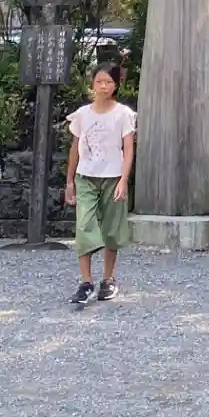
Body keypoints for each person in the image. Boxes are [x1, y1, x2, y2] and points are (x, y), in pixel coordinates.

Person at [65, 64, 137, 308]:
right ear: (92, 84)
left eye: (109, 82)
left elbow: (128, 149)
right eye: (99, 82)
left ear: (116, 85)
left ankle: (108, 278)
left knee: (111, 229)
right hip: (85, 176)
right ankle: (86, 282)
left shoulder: (123, 114)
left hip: (113, 176)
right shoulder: (82, 114)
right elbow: (74, 148)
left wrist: (124, 180)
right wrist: (69, 181)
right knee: (84, 225)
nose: (104, 86)